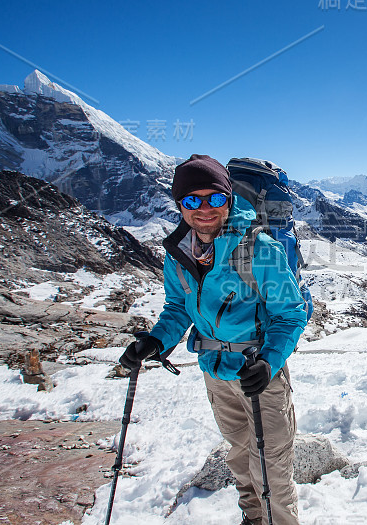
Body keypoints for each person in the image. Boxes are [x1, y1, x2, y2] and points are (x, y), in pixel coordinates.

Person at [120, 154, 307, 525]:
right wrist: (156, 341)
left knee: (270, 467)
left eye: (214, 198)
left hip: (260, 375)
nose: (204, 209)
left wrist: (269, 362)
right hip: (216, 373)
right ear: (179, 205)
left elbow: (290, 315)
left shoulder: (259, 249)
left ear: (229, 199)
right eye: (192, 200)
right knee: (239, 456)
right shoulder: (178, 254)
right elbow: (178, 307)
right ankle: (254, 519)